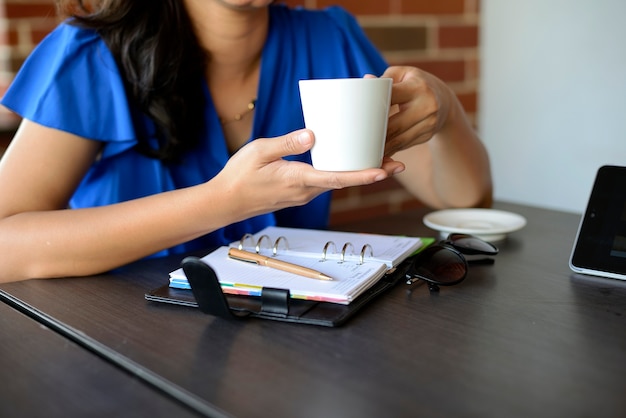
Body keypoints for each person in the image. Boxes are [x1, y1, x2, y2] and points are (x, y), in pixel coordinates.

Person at [0, 0, 492, 283]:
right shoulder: (90, 53)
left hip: (295, 341)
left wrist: (447, 112)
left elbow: (463, 199)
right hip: (113, 338)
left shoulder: (330, 37)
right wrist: (219, 203)